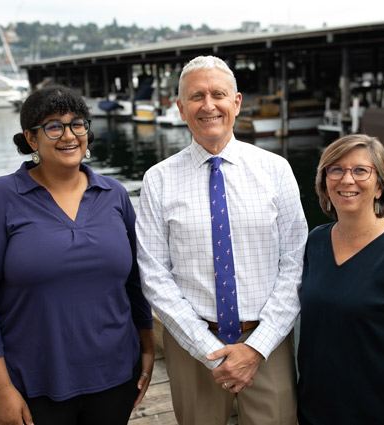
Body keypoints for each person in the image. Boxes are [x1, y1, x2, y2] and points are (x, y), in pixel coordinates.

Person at [136, 55, 308, 425]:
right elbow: (153, 274)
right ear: (181, 108)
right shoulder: (158, 180)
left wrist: (256, 348)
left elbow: (295, 263)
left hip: (267, 342)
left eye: (218, 94)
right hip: (191, 343)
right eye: (197, 96)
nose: (209, 105)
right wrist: (206, 347)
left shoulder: (276, 170)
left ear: (237, 102)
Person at [0, 85, 155, 425]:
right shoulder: (1, 197)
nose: (69, 135)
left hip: (116, 376)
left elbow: (134, 283)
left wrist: (149, 348)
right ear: (31, 139)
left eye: (77, 124)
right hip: (34, 382)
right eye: (54, 125)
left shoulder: (114, 194)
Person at [297, 134, 384, 425]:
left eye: (360, 170)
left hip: (377, 414)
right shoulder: (315, 242)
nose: (346, 179)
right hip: (314, 413)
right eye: (335, 169)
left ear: (380, 186)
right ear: (324, 182)